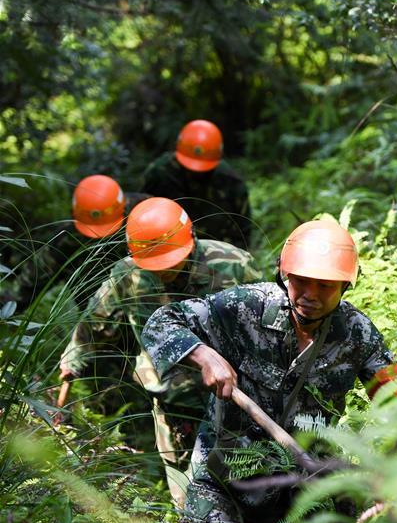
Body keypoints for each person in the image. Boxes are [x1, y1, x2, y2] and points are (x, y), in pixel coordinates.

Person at [141, 218, 397, 523]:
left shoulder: (357, 333)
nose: (310, 295)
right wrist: (203, 355)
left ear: (344, 286)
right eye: (302, 282)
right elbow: (162, 322)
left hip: (307, 480)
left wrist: (389, 479)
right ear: (285, 276)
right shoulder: (244, 307)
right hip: (228, 477)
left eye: (325, 286)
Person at [57, 196, 260, 506]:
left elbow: (266, 324)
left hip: (231, 393)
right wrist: (73, 363)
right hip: (171, 399)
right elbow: (95, 324)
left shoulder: (233, 264)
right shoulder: (127, 276)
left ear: (190, 240)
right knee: (184, 488)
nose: (166, 272)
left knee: (240, 479)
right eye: (156, 264)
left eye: (172, 262)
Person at [15, 175, 148, 307]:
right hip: (97, 306)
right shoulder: (67, 238)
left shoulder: (146, 209)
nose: (99, 234)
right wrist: (9, 308)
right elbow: (34, 276)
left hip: (149, 286)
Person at [140, 120, 251, 249]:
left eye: (204, 171)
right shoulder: (160, 174)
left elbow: (243, 232)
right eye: (189, 168)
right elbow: (143, 216)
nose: (196, 173)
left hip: (217, 255)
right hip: (167, 252)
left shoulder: (230, 182)